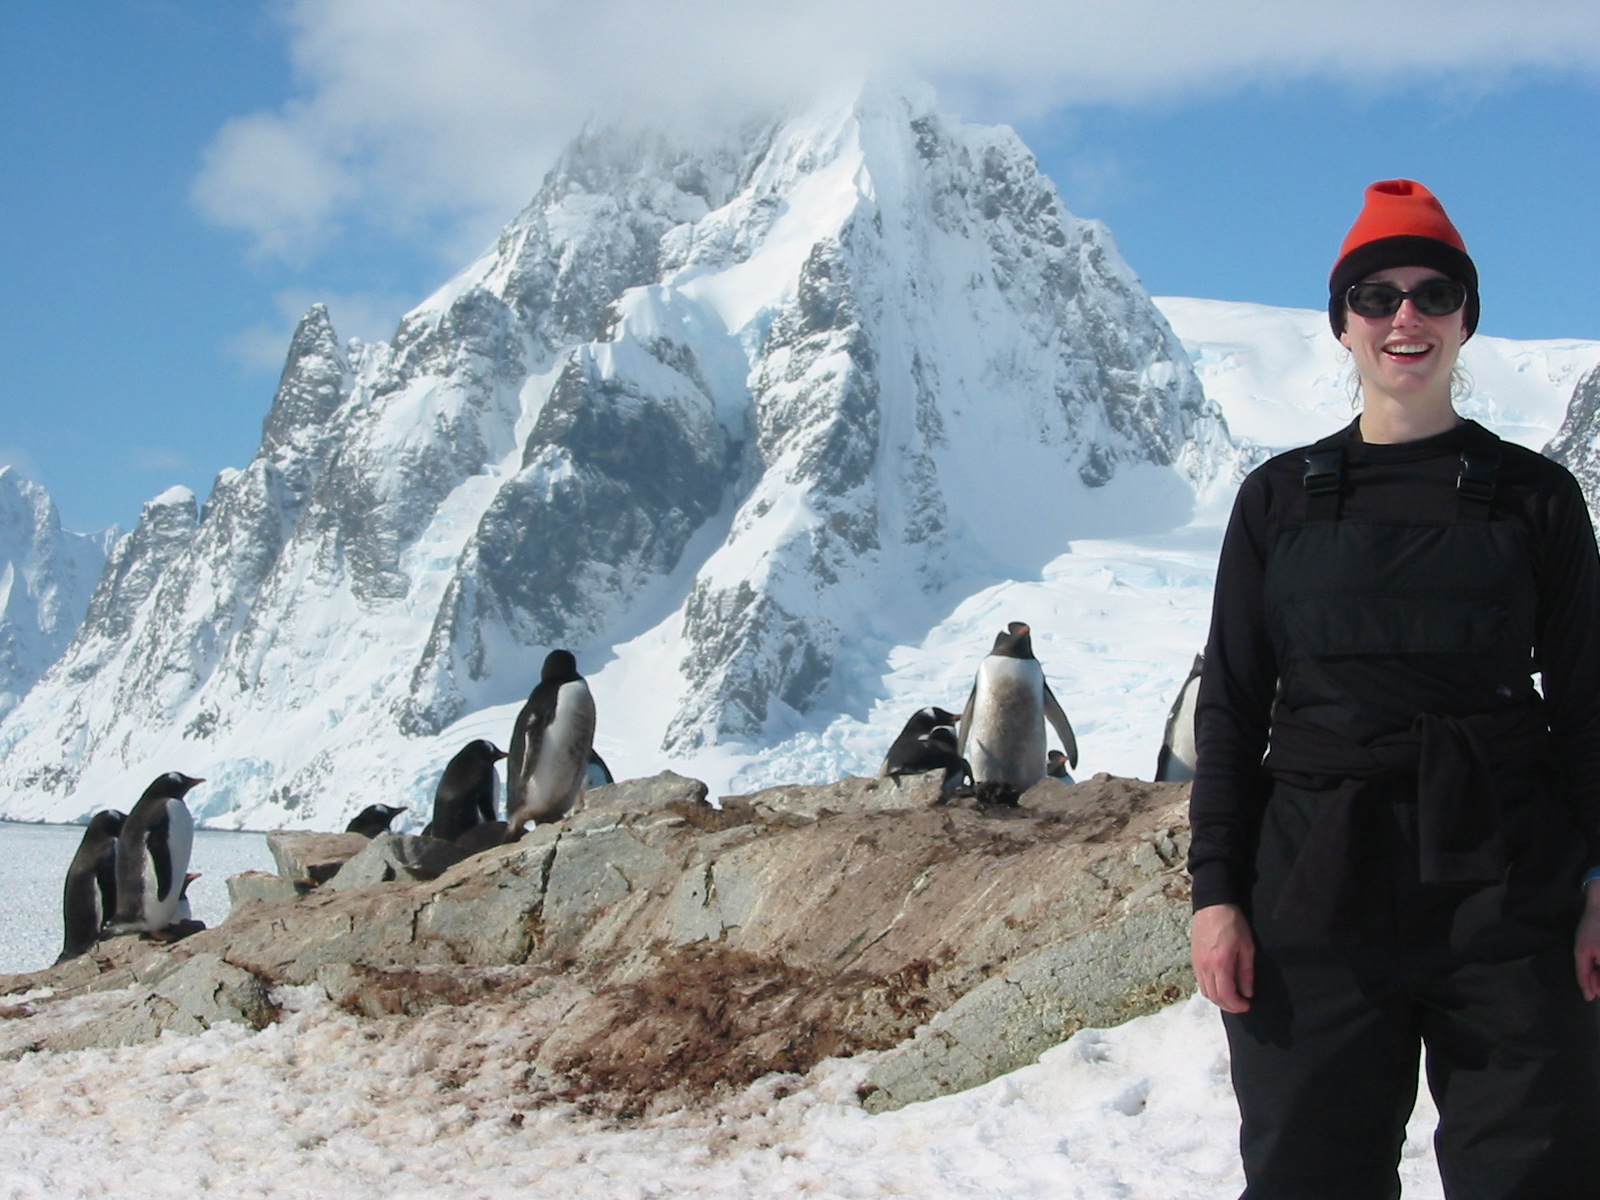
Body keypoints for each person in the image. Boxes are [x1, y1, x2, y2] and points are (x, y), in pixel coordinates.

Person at [1187, 178, 1600, 1199]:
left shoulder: (1535, 498)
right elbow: (1232, 709)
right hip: (1313, 886)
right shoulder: (1277, 500)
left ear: (1466, 319)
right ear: (1340, 323)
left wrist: (1599, 884)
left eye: (1431, 294)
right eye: (1375, 296)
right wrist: (1215, 897)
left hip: (1511, 891)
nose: (1403, 318)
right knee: (1306, 1173)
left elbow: (1591, 700)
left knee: (1537, 1171)